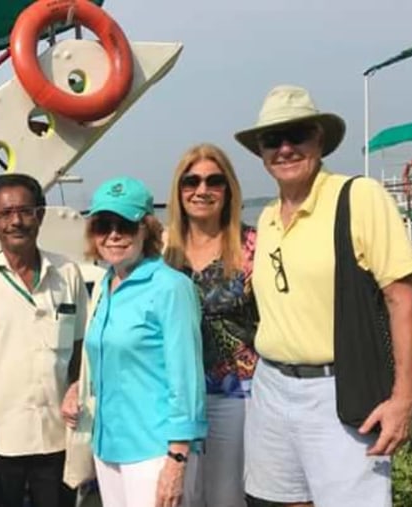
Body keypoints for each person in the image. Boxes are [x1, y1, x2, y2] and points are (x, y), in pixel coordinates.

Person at [233, 85, 412, 507]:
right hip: (271, 386)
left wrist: (403, 398)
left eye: (297, 135)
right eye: (272, 140)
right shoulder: (265, 218)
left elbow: (401, 299)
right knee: (277, 501)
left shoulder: (358, 196)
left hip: (339, 388)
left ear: (319, 139)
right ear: (260, 153)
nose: (285, 148)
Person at [0, 173, 87, 507]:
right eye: (5, 214)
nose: (16, 222)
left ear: (39, 214)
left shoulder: (67, 273)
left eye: (25, 211)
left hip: (58, 439)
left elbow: (80, 352)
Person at [71, 176, 207, 507]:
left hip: (154, 450)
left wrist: (176, 459)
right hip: (109, 446)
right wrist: (78, 386)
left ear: (146, 228)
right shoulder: (105, 284)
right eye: (104, 225)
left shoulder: (170, 287)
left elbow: (186, 378)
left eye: (126, 225)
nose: (114, 235)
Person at [163, 143, 258, 507]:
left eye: (214, 181)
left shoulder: (251, 245)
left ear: (228, 189)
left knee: (226, 498)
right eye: (192, 181)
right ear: (179, 189)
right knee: (177, 496)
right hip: (174, 396)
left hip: (234, 395)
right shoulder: (161, 249)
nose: (202, 190)